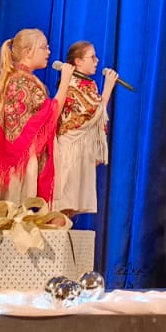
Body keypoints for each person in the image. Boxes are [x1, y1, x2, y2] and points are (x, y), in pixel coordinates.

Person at [0, 28, 73, 206]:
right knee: (18, 213)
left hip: (23, 160)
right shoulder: (22, 81)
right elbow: (51, 113)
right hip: (23, 161)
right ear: (28, 52)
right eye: (44, 47)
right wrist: (65, 80)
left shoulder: (21, 78)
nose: (48, 52)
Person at [52, 40, 119, 216]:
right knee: (63, 203)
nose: (97, 61)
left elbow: (97, 119)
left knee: (71, 206)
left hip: (82, 148)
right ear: (78, 62)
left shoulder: (89, 84)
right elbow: (90, 113)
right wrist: (107, 89)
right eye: (92, 57)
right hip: (70, 149)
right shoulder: (71, 83)